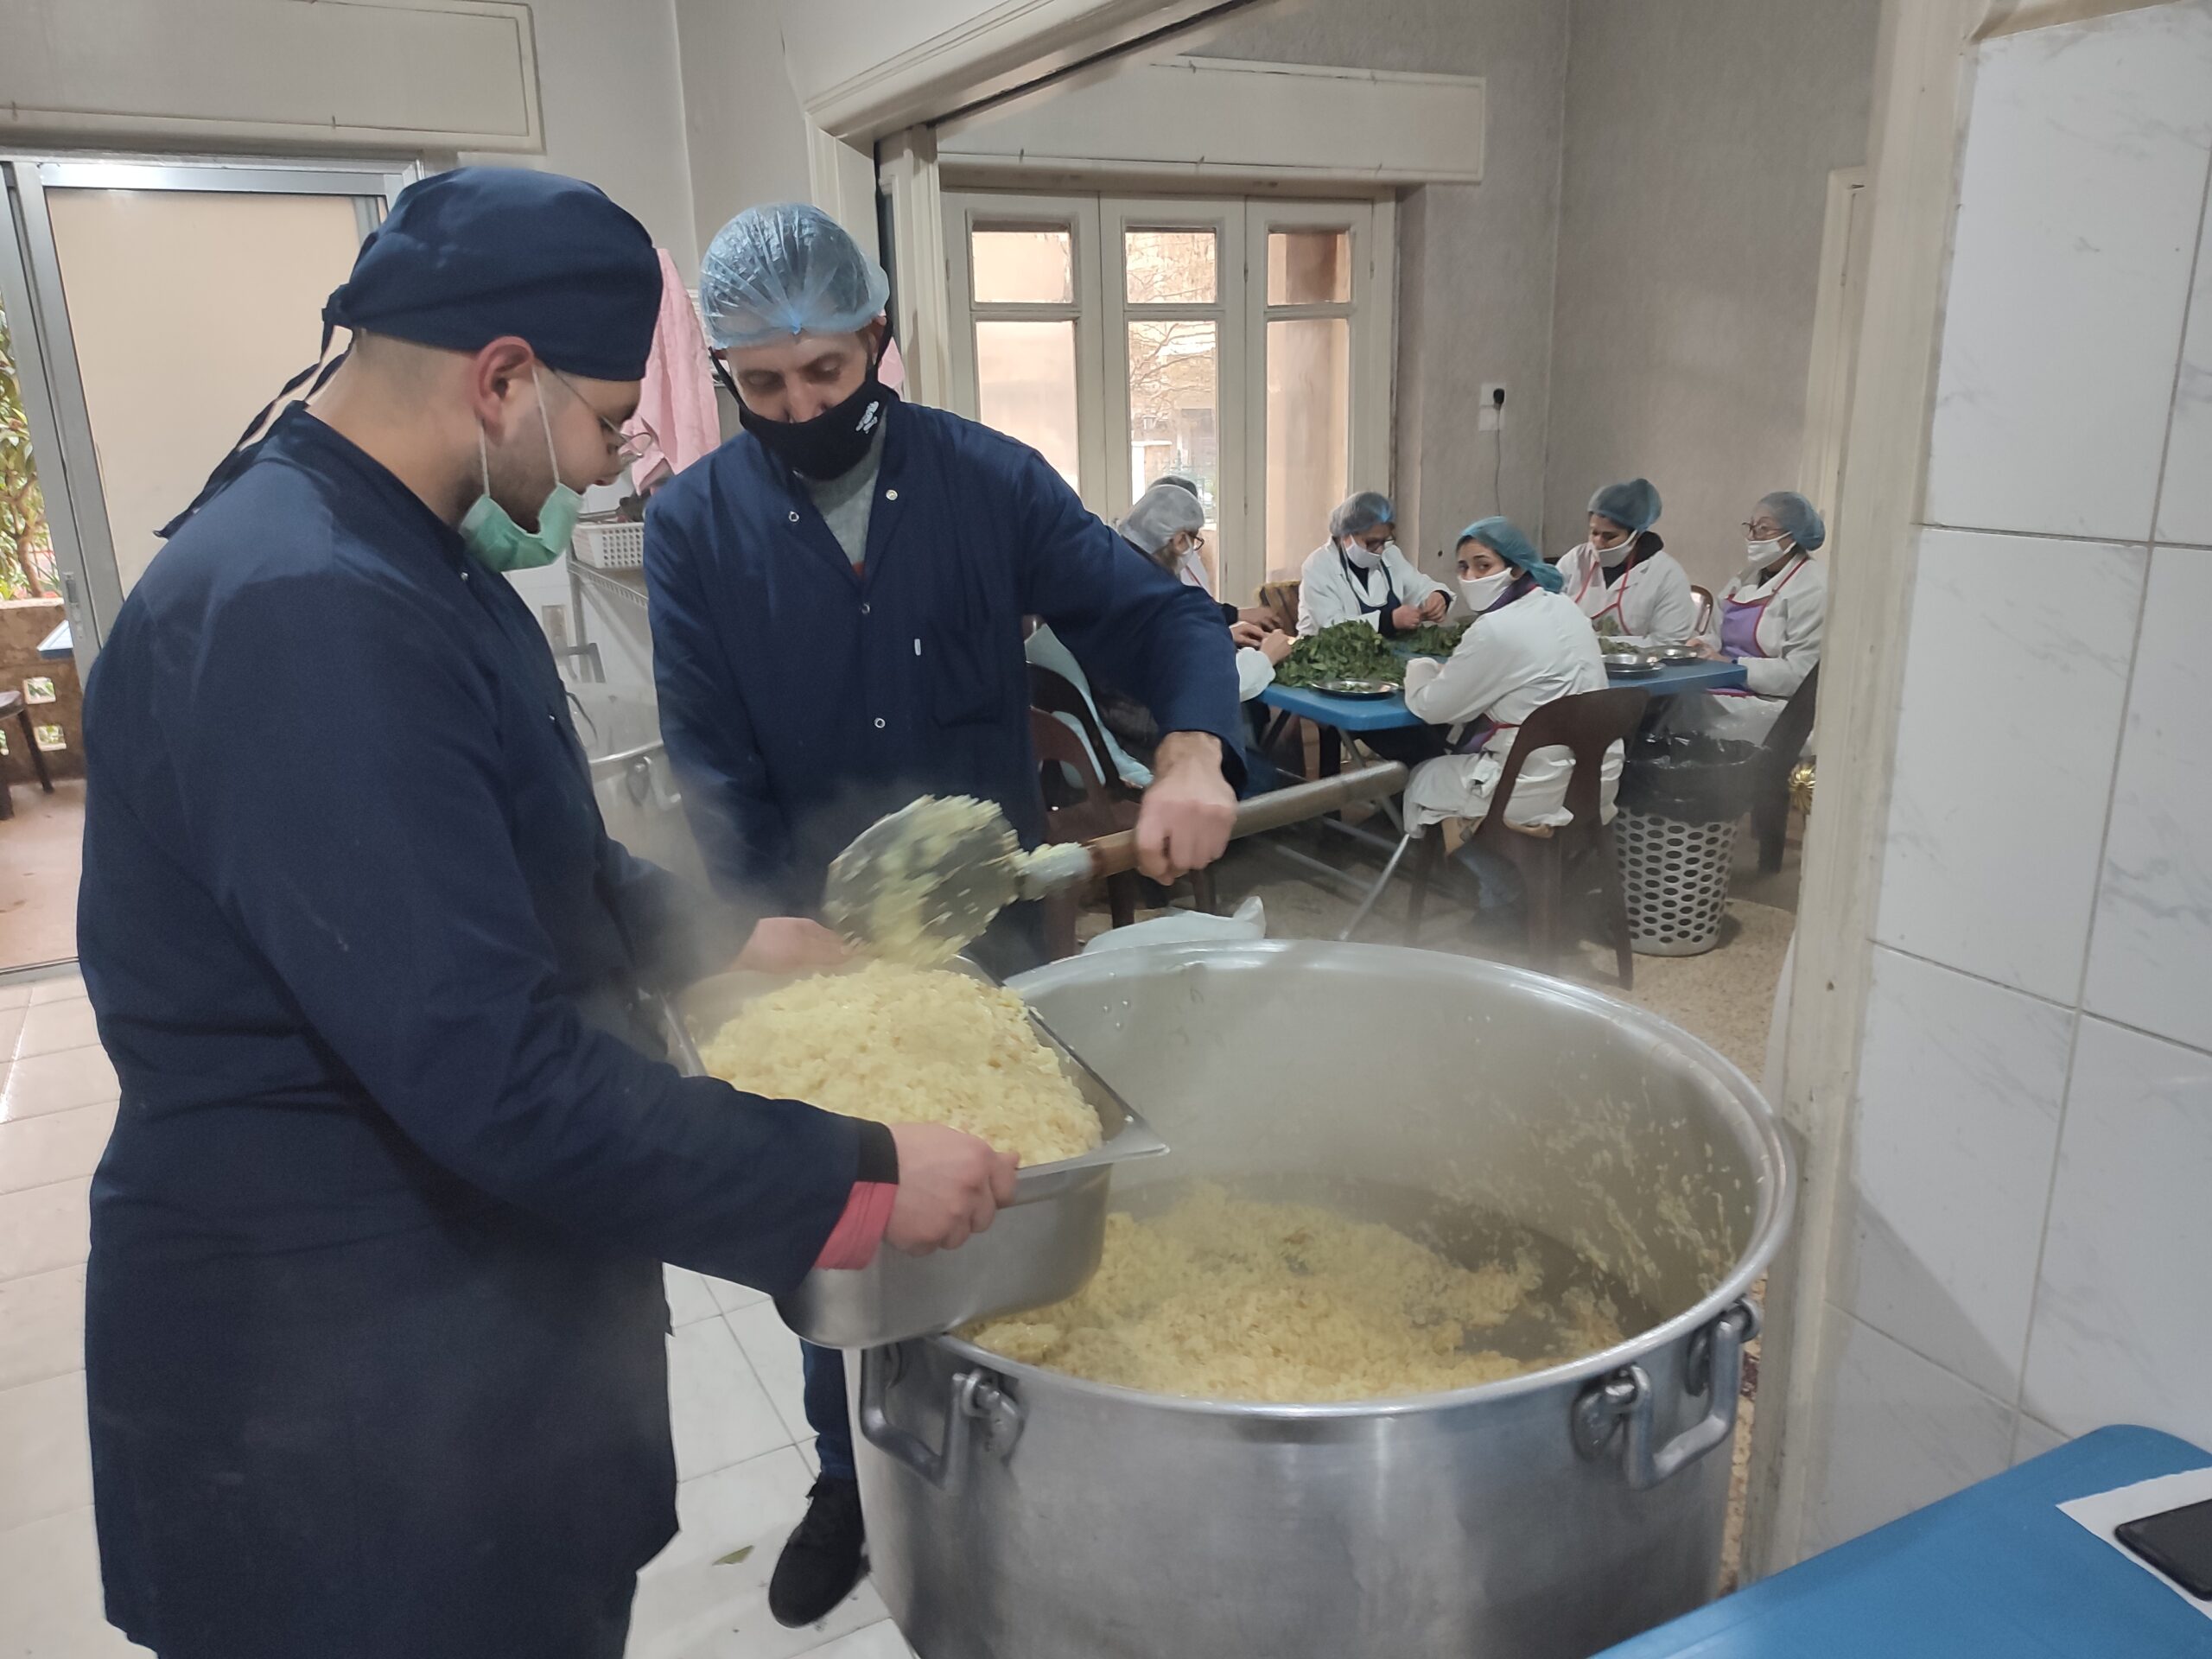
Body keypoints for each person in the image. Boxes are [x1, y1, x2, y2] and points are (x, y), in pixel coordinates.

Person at [73, 169, 1018, 1659]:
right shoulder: (308, 614)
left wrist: (715, 938)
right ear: (501, 380)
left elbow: (519, 864)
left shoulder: (396, 555)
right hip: (343, 1399)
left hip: (459, 1341)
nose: (613, 461)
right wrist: (858, 1174)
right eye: (603, 418)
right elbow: (492, 1070)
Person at [642, 201, 1244, 1628]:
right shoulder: (696, 527)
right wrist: (766, 933)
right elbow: (713, 766)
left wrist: (1197, 747)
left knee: (1008, 1205)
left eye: (825, 375)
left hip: (984, 934)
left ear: (877, 339)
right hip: (808, 957)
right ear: (729, 379)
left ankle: (1027, 1460)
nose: (797, 408)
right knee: (839, 1224)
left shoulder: (985, 483)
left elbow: (1160, 621)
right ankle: (851, 1487)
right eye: (763, 386)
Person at [1401, 517, 1623, 834]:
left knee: (1425, 776)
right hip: (1598, 780)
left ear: (1516, 568)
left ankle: (1495, 872)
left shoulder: (1494, 629)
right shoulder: (1566, 608)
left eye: (1483, 565)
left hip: (1536, 788)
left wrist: (1419, 668)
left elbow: (1432, 709)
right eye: (1463, 568)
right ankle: (1512, 865)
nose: (1471, 577)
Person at [1688, 490, 1828, 746]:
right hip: (1727, 690)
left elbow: (1800, 674)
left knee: (1680, 714)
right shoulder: (1747, 576)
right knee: (1662, 704)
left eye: (1764, 529)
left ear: (1793, 535)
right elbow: (1718, 633)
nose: (1753, 538)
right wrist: (1703, 646)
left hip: (1769, 705)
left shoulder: (1812, 587)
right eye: (1751, 528)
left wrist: (1732, 667)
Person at [1554, 477, 1696, 648]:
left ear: (1636, 534)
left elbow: (1669, 643)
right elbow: (1548, 614)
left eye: (1609, 536)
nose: (1597, 543)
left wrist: (1608, 648)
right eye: (1594, 532)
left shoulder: (1667, 576)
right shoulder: (1575, 560)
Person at [1295, 490, 1451, 636]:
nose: (1380, 550)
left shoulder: (1391, 555)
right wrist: (1388, 621)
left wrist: (1437, 597)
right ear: (1346, 534)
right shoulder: (1318, 566)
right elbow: (1332, 627)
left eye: (1384, 540)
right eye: (1371, 542)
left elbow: (1420, 586)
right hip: (1323, 657)